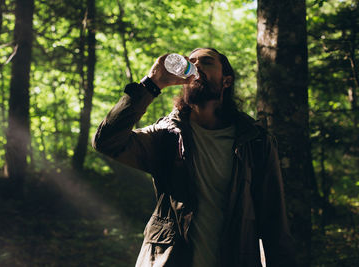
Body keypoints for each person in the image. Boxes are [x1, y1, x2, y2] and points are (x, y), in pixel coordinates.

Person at [93, 48, 296, 266]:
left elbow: (274, 223)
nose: (196, 66)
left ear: (226, 81)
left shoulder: (255, 141)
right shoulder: (166, 136)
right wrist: (151, 84)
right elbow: (106, 141)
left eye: (206, 62)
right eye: (191, 61)